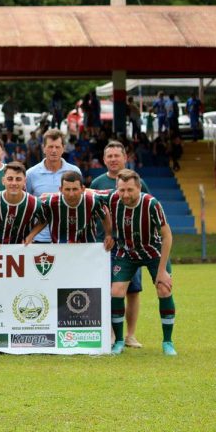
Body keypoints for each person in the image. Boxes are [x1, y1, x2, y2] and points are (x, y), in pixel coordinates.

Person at [108, 169, 177, 356]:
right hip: (127, 252)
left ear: (139, 188)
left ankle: (168, 342)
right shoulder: (113, 199)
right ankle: (119, 341)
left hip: (153, 252)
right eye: (122, 190)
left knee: (164, 289)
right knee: (116, 291)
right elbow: (89, 194)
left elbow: (167, 236)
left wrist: (162, 271)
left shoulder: (151, 204)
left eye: (130, 190)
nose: (125, 194)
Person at [90, 140, 151, 348]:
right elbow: (91, 212)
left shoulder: (138, 182)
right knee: (109, 290)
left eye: (117, 155)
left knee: (133, 291)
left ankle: (130, 335)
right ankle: (111, 333)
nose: (113, 159)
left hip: (131, 246)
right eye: (109, 156)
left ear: (125, 157)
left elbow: (147, 209)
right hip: (105, 246)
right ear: (104, 159)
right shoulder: (97, 183)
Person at [26, 171, 113, 249]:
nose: (71, 194)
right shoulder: (50, 202)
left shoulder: (93, 201)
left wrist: (108, 234)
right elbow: (43, 220)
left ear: (83, 189)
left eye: (75, 189)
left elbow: (104, 214)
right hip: (60, 248)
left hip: (87, 248)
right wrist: (31, 236)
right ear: (60, 190)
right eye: (67, 189)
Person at [26, 129, 82, 243]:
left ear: (63, 148)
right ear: (43, 148)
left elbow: (81, 202)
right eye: (50, 147)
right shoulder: (31, 174)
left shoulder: (75, 171)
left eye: (57, 147)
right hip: (40, 237)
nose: (54, 151)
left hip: (69, 237)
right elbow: (27, 205)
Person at [0, 162, 44, 250]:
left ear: (25, 181)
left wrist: (31, 236)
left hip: (23, 248)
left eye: (18, 179)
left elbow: (44, 220)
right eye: (10, 179)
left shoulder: (35, 203)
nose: (14, 183)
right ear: (3, 181)